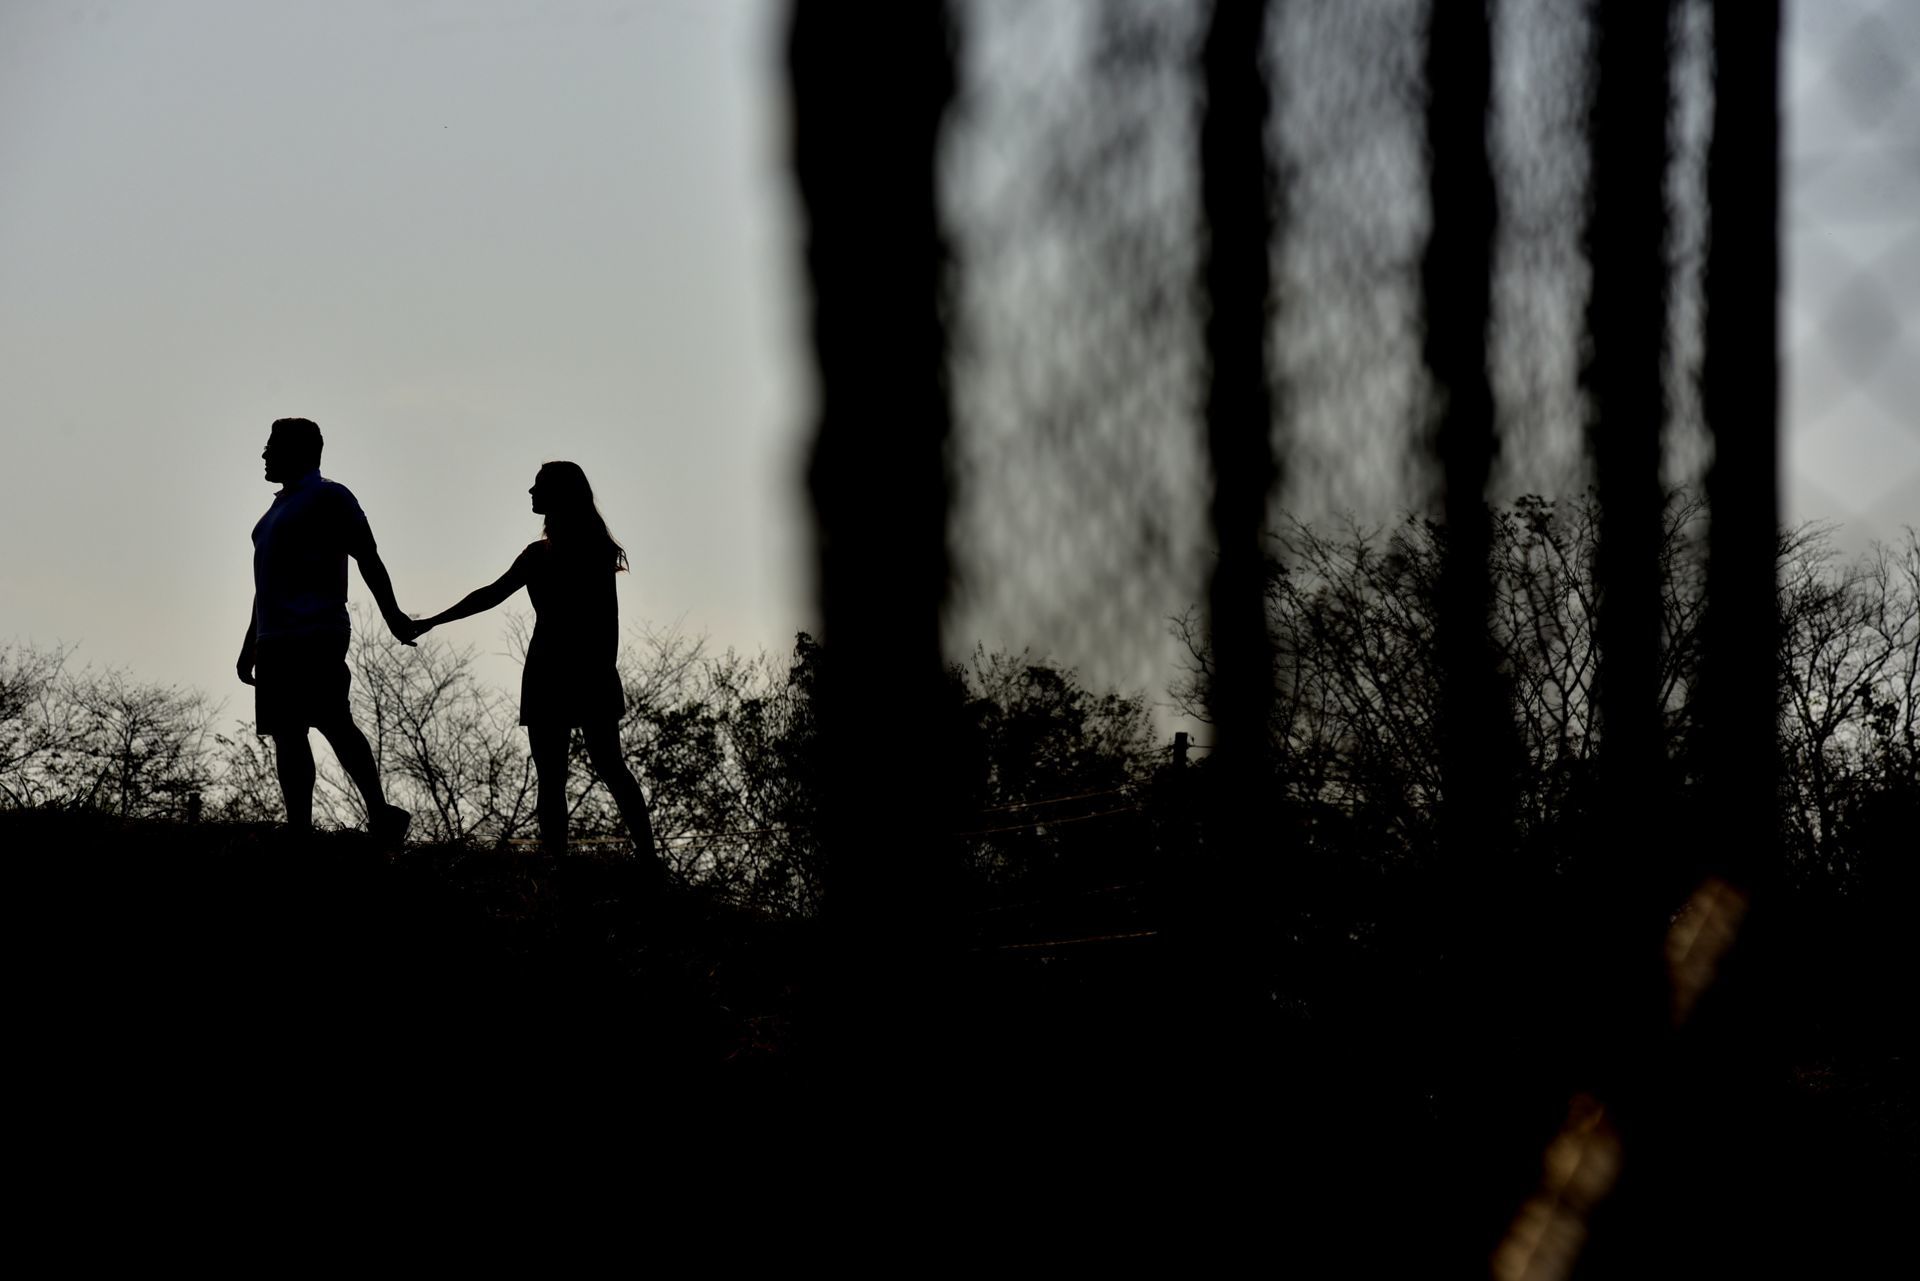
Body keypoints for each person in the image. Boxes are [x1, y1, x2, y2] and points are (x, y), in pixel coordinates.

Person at [409, 462, 659, 868]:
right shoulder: (549, 554)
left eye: (538, 485)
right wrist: (432, 621)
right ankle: (565, 862)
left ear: (559, 495)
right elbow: (489, 595)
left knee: (594, 768)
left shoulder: (576, 553)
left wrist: (429, 621)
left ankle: (636, 857)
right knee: (575, 771)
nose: (530, 490)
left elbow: (603, 620)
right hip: (560, 672)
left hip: (572, 671)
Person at [238, 417, 414, 844]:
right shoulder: (272, 514)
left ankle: (378, 811)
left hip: (315, 631)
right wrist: (250, 645)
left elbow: (368, 557)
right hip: (275, 640)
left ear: (298, 452)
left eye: (271, 447)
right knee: (287, 733)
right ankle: (300, 827)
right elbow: (266, 585)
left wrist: (392, 615)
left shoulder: (330, 497)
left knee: (334, 721)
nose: (263, 455)